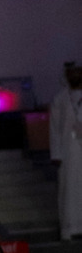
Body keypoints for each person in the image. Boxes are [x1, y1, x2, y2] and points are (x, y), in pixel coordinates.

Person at [49, 61, 82, 240]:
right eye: (71, 72)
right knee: (69, 189)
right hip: (68, 151)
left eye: (77, 71)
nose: (75, 75)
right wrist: (56, 153)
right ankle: (70, 228)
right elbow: (54, 128)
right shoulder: (60, 98)